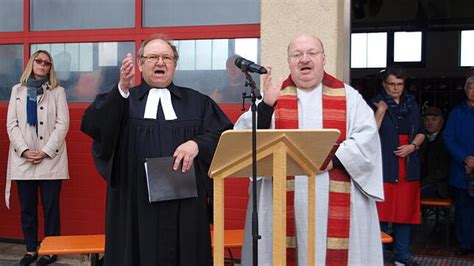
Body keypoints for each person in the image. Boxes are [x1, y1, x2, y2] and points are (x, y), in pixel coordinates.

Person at [80, 35, 233, 266]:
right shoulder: (123, 100)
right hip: (136, 201)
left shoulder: (197, 102)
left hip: (186, 205)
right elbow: (93, 125)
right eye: (153, 57)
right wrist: (121, 88)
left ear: (174, 64)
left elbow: (224, 134)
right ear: (140, 64)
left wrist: (197, 144)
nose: (160, 62)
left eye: (166, 57)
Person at [235, 33, 384, 265]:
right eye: (297, 54)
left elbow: (367, 138)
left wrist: (334, 159)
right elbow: (244, 143)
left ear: (323, 58)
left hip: (333, 190)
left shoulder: (348, 97)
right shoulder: (273, 97)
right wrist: (265, 106)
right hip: (282, 198)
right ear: (289, 62)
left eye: (312, 53)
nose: (304, 59)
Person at [5, 50, 70, 266]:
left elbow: (63, 125)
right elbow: (11, 124)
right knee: (27, 208)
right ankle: (31, 249)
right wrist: (23, 150)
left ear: (50, 68)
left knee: (51, 208)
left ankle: (51, 251)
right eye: (39, 61)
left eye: (47, 63)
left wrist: (45, 151)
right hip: (23, 160)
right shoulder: (17, 90)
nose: (42, 65)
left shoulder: (58, 92)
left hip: (50, 160)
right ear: (31, 64)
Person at [370, 66, 425, 266]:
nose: (396, 88)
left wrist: (412, 146)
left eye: (399, 84)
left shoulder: (411, 104)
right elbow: (368, 133)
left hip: (408, 165)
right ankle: (378, 255)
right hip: (385, 164)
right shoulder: (375, 102)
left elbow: (421, 131)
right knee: (381, 213)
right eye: (392, 84)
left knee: (405, 213)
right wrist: (381, 112)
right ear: (385, 84)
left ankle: (402, 255)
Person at [442, 75, 474, 256]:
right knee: (463, 210)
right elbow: (448, 138)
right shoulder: (457, 112)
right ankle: (464, 244)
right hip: (462, 170)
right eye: (471, 87)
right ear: (465, 90)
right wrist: (466, 159)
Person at [419, 106, 450, 199]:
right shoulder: (421, 139)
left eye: (434, 119)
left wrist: (423, 182)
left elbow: (443, 171)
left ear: (441, 122)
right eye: (427, 120)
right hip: (424, 182)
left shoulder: (445, 141)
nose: (430, 123)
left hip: (439, 186)